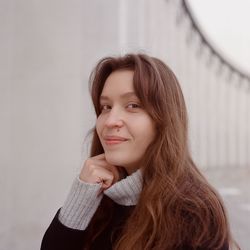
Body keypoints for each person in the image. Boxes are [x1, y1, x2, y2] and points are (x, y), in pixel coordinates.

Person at [41, 53, 239, 250]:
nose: (110, 121)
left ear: (163, 121)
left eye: (132, 106)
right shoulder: (100, 200)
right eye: (106, 107)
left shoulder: (193, 213)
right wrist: (80, 200)